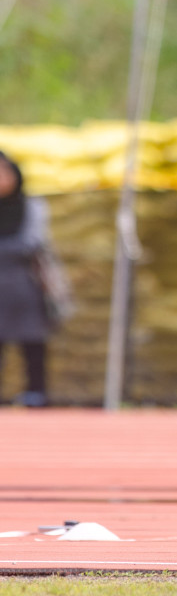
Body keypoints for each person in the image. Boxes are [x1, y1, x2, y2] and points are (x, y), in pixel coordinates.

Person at [0, 153, 55, 407]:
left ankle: (36, 392)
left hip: (23, 282)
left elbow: (34, 242)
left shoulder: (30, 206)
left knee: (32, 340)